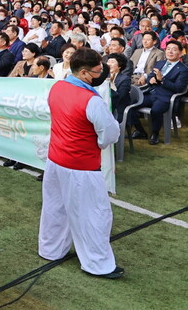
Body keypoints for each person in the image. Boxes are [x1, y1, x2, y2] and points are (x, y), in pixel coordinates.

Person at [38, 48, 123, 279]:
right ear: (85, 73)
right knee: (94, 215)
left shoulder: (57, 87)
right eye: (98, 70)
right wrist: (99, 143)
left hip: (56, 160)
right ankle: (98, 264)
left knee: (55, 208)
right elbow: (110, 132)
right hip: (82, 166)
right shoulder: (91, 99)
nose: (101, 73)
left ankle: (51, 249)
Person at [128, 40, 188, 145]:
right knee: (130, 105)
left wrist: (162, 80)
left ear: (180, 53)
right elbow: (152, 75)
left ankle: (155, 133)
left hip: (166, 96)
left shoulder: (184, 70)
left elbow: (179, 88)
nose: (170, 52)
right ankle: (141, 131)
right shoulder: (161, 63)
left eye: (174, 50)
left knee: (156, 110)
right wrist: (150, 80)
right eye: (168, 49)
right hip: (151, 92)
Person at [106, 53, 132, 122]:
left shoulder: (125, 79)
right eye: (108, 61)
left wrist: (112, 84)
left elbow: (120, 97)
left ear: (119, 66)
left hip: (118, 108)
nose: (109, 64)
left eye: (112, 62)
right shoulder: (104, 76)